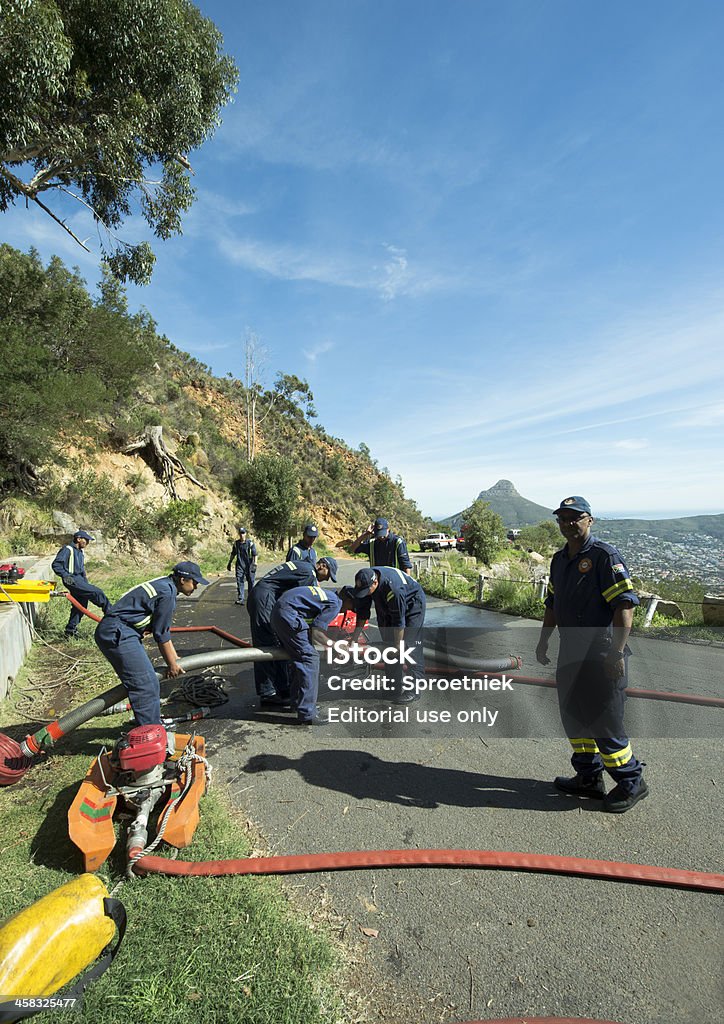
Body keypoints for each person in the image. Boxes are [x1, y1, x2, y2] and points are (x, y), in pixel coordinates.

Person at [535, 496, 647, 813]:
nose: (568, 523)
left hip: (601, 653)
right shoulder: (559, 561)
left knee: (605, 723)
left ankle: (631, 782)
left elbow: (624, 605)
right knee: (574, 718)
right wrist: (543, 641)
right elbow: (552, 605)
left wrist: (617, 652)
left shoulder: (603, 556)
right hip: (570, 651)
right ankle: (588, 777)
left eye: (575, 517)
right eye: (562, 518)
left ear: (589, 520)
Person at [94, 561, 209, 726]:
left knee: (145, 682)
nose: (196, 587)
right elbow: (161, 633)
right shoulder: (167, 593)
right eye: (195, 582)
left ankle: (148, 726)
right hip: (118, 632)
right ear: (183, 580)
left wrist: (174, 658)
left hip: (121, 631)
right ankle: (150, 733)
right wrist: (172, 664)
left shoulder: (165, 584)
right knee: (145, 684)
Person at [248, 556, 338, 705]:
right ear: (322, 566)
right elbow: (301, 602)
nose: (326, 580)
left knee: (276, 642)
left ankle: (281, 689)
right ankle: (268, 693)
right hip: (265, 599)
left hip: (262, 596)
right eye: (327, 575)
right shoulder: (309, 573)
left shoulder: (304, 566)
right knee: (267, 645)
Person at [349, 566, 426, 704]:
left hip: (412, 604)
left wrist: (397, 646)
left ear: (375, 583)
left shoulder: (394, 589)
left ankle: (414, 690)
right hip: (385, 600)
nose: (365, 594)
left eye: (367, 591)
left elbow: (398, 621)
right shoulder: (365, 582)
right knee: (387, 644)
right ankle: (393, 686)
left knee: (409, 645)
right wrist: (353, 640)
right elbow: (362, 614)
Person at [270, 584, 343, 725]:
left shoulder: (323, 595)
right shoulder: (335, 603)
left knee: (299, 657)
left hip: (278, 613)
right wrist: (336, 646)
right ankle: (307, 713)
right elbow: (317, 635)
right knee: (310, 659)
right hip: (288, 616)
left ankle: (298, 702)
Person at [51, 530, 110, 638]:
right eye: (86, 540)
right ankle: (111, 616)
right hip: (72, 580)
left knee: (80, 605)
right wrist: (65, 576)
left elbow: (81, 570)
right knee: (97, 592)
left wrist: (85, 582)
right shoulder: (67, 550)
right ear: (78, 539)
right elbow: (56, 565)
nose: (87, 542)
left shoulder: (80, 552)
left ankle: (70, 631)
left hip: (79, 580)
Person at [345, 517, 412, 574]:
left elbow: (406, 565)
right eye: (379, 534)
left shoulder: (398, 542)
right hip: (377, 582)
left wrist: (407, 585)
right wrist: (366, 534)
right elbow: (352, 549)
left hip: (394, 581)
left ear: (388, 529)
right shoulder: (372, 543)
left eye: (383, 534)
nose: (381, 537)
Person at [227, 526, 257, 605]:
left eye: (243, 533)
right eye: (240, 533)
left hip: (249, 566)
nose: (242, 535)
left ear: (246, 534)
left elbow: (255, 554)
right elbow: (233, 554)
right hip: (240, 566)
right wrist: (229, 563)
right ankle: (241, 598)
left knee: (251, 582)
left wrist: (255, 563)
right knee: (240, 581)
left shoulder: (250, 543)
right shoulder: (236, 544)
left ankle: (251, 598)